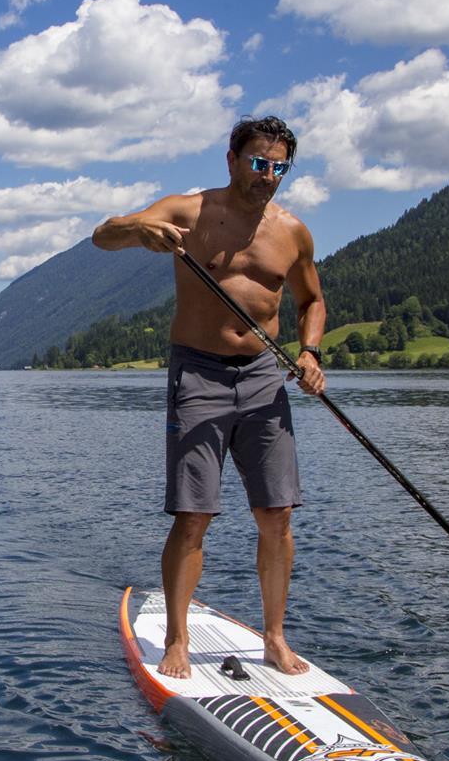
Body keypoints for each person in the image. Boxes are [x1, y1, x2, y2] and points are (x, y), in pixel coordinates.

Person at [92, 116, 327, 677]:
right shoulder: (188, 210)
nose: (267, 176)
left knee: (277, 515)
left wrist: (311, 352)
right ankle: (176, 641)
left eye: (278, 167)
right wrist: (139, 231)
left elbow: (311, 301)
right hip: (197, 373)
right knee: (194, 516)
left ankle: (274, 637)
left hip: (265, 374)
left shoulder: (292, 231)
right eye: (257, 163)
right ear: (231, 159)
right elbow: (105, 235)